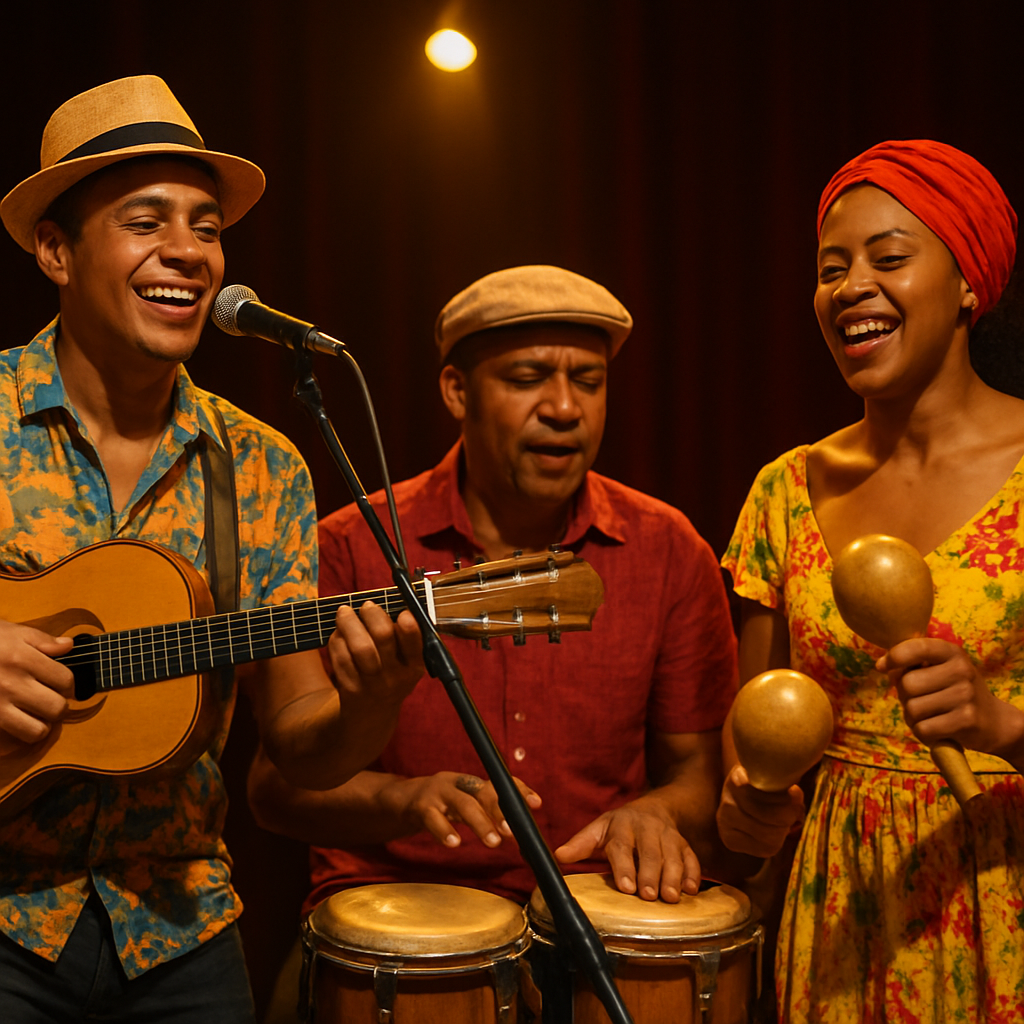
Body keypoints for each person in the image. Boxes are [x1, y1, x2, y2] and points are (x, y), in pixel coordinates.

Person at [0, 76, 422, 1023]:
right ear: (57, 250)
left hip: (180, 932)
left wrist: (372, 705)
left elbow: (304, 747)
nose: (188, 251)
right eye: (146, 221)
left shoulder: (264, 467)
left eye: (205, 225)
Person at [248, 265, 739, 917]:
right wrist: (406, 800)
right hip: (396, 915)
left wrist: (655, 813)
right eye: (527, 378)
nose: (565, 409)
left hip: (596, 908)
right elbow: (273, 792)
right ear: (456, 389)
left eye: (588, 382)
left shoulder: (669, 549)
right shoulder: (348, 546)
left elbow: (700, 775)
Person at [716, 140, 1024, 1022]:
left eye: (889, 258)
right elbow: (756, 734)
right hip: (838, 913)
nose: (851, 285)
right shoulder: (786, 489)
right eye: (830, 267)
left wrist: (1002, 724)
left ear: (970, 284)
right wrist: (750, 808)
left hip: (1001, 897)